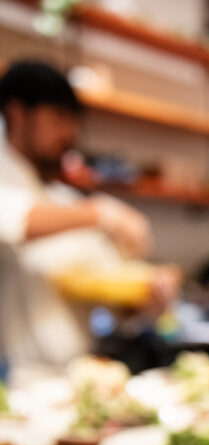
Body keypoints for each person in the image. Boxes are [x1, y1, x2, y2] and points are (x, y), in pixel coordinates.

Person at [0, 60, 163, 368]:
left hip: (74, 378)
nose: (69, 134)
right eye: (58, 118)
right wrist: (102, 212)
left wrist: (148, 295)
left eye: (73, 122)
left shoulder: (67, 203)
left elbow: (116, 302)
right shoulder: (83, 212)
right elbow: (16, 220)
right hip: (11, 383)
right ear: (17, 113)